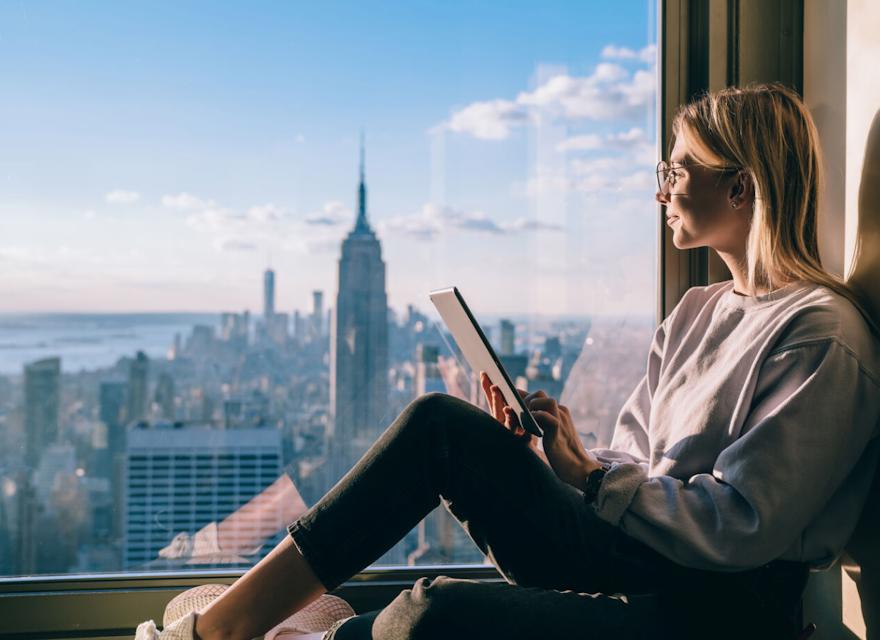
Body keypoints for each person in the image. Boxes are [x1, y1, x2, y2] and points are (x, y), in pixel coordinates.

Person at [140, 83, 880, 640]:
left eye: (679, 168)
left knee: (430, 612)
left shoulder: (821, 335)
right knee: (441, 424)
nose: (661, 188)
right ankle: (226, 629)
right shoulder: (700, 310)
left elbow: (743, 528)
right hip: (637, 552)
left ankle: (303, 635)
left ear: (741, 186)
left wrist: (593, 480)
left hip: (721, 606)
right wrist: (565, 455)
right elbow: (637, 457)